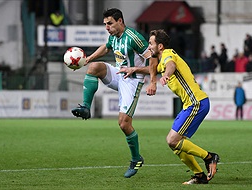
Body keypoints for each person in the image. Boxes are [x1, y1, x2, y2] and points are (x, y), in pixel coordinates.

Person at [71, 8, 156, 178]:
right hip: (119, 74)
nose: (107, 27)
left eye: (109, 23)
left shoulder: (134, 38)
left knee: (124, 124)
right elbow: (106, 47)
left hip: (133, 80)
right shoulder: (114, 36)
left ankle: (136, 158)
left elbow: (153, 57)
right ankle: (86, 107)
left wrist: (153, 81)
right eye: (105, 24)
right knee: (94, 67)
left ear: (120, 21)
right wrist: (88, 59)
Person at [147, 29, 220, 185]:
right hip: (190, 105)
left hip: (197, 103)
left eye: (151, 44)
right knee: (175, 144)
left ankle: (209, 157)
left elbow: (171, 65)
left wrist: (166, 74)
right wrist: (133, 70)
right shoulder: (162, 59)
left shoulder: (167, 55)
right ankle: (199, 175)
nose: (149, 47)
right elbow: (153, 68)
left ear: (160, 46)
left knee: (173, 140)